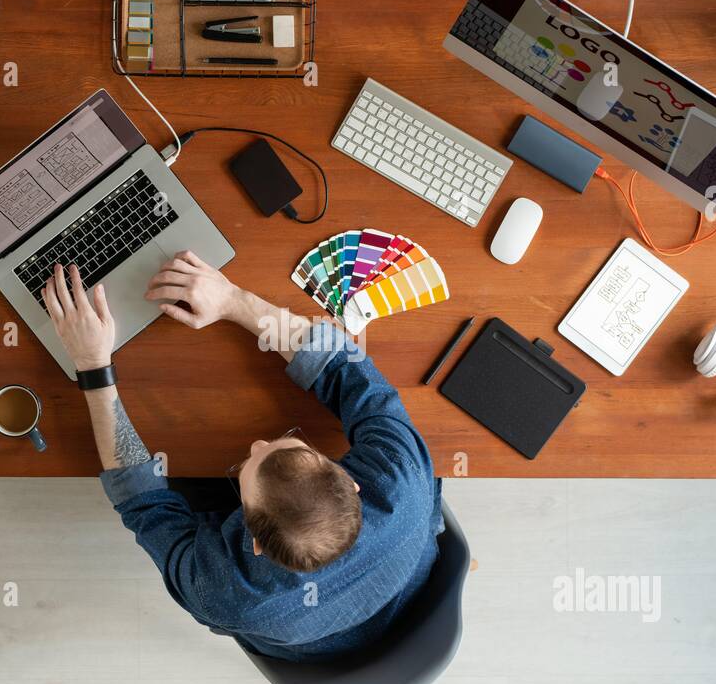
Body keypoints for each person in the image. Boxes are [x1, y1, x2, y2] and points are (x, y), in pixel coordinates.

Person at [41, 252, 442, 661]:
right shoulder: (401, 479)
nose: (257, 444)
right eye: (292, 443)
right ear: (353, 484)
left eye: (245, 471)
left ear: (254, 544)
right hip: (407, 582)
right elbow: (341, 364)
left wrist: (92, 365)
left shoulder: (221, 593)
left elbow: (143, 504)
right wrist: (232, 301)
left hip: (324, 645)